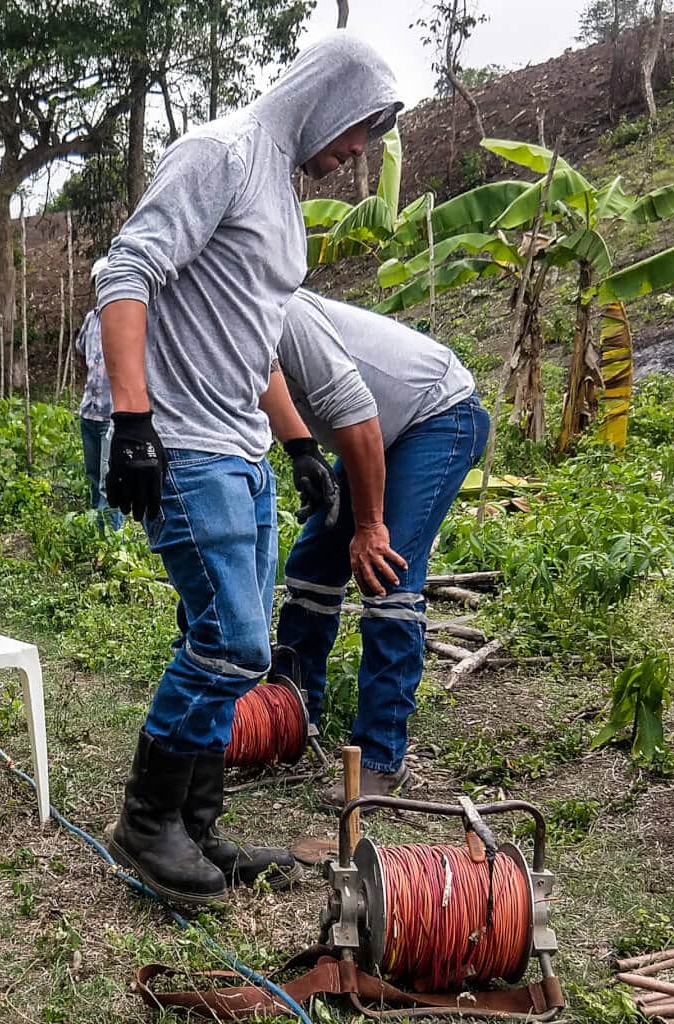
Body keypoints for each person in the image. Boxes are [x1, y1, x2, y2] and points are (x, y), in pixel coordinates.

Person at [93, 31, 402, 906]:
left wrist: (299, 442)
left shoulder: (282, 192)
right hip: (186, 441)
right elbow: (126, 274)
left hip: (245, 446)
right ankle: (146, 820)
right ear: (327, 99)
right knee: (234, 643)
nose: (356, 155)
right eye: (357, 132)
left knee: (227, 639)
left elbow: (255, 334)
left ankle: (198, 822)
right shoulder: (221, 154)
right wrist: (133, 421)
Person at [266, 291, 487, 803]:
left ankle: (382, 760)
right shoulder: (232, 328)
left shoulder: (286, 316)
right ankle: (292, 720)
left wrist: (369, 526)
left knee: (385, 574)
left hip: (437, 415)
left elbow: (359, 421)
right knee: (311, 567)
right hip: (374, 431)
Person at [73, 302, 121, 529]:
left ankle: (111, 541)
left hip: (113, 416)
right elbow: (81, 349)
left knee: (109, 481)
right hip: (89, 411)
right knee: (93, 476)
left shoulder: (126, 316)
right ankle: (96, 533)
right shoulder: (91, 318)